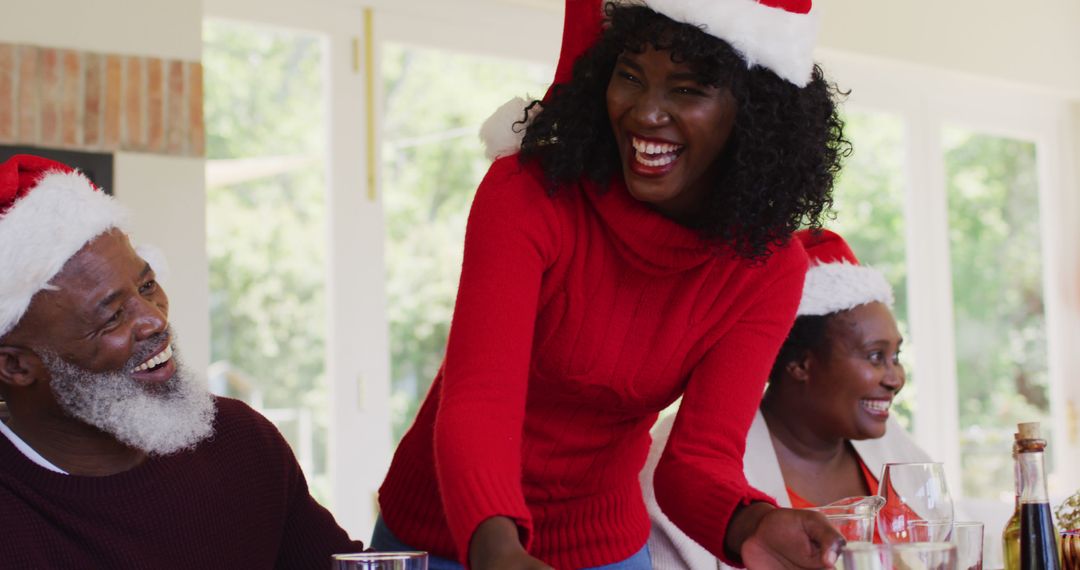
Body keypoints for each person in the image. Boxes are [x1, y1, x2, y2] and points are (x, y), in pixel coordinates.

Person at [374, 0, 850, 568]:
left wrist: (754, 522)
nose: (646, 113)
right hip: (450, 539)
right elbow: (481, 399)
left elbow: (698, 459)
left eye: (687, 89)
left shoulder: (766, 269)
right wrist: (497, 551)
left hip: (602, 546)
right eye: (629, 76)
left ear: (753, 114)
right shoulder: (527, 195)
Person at [0, 154, 363, 568]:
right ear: (15, 366)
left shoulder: (239, 442)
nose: (154, 319)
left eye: (148, 284)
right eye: (113, 316)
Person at [642, 229, 932, 569]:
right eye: (874, 356)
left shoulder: (891, 444)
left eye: (895, 356)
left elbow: (955, 544)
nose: (895, 379)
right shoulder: (683, 461)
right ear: (799, 364)